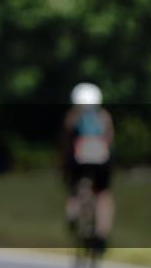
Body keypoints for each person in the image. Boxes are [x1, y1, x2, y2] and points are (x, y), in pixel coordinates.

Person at [62, 82, 114, 255]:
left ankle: (73, 215)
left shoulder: (73, 116)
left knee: (73, 188)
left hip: (79, 159)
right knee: (103, 194)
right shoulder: (104, 115)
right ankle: (101, 235)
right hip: (101, 159)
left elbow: (67, 143)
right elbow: (110, 140)